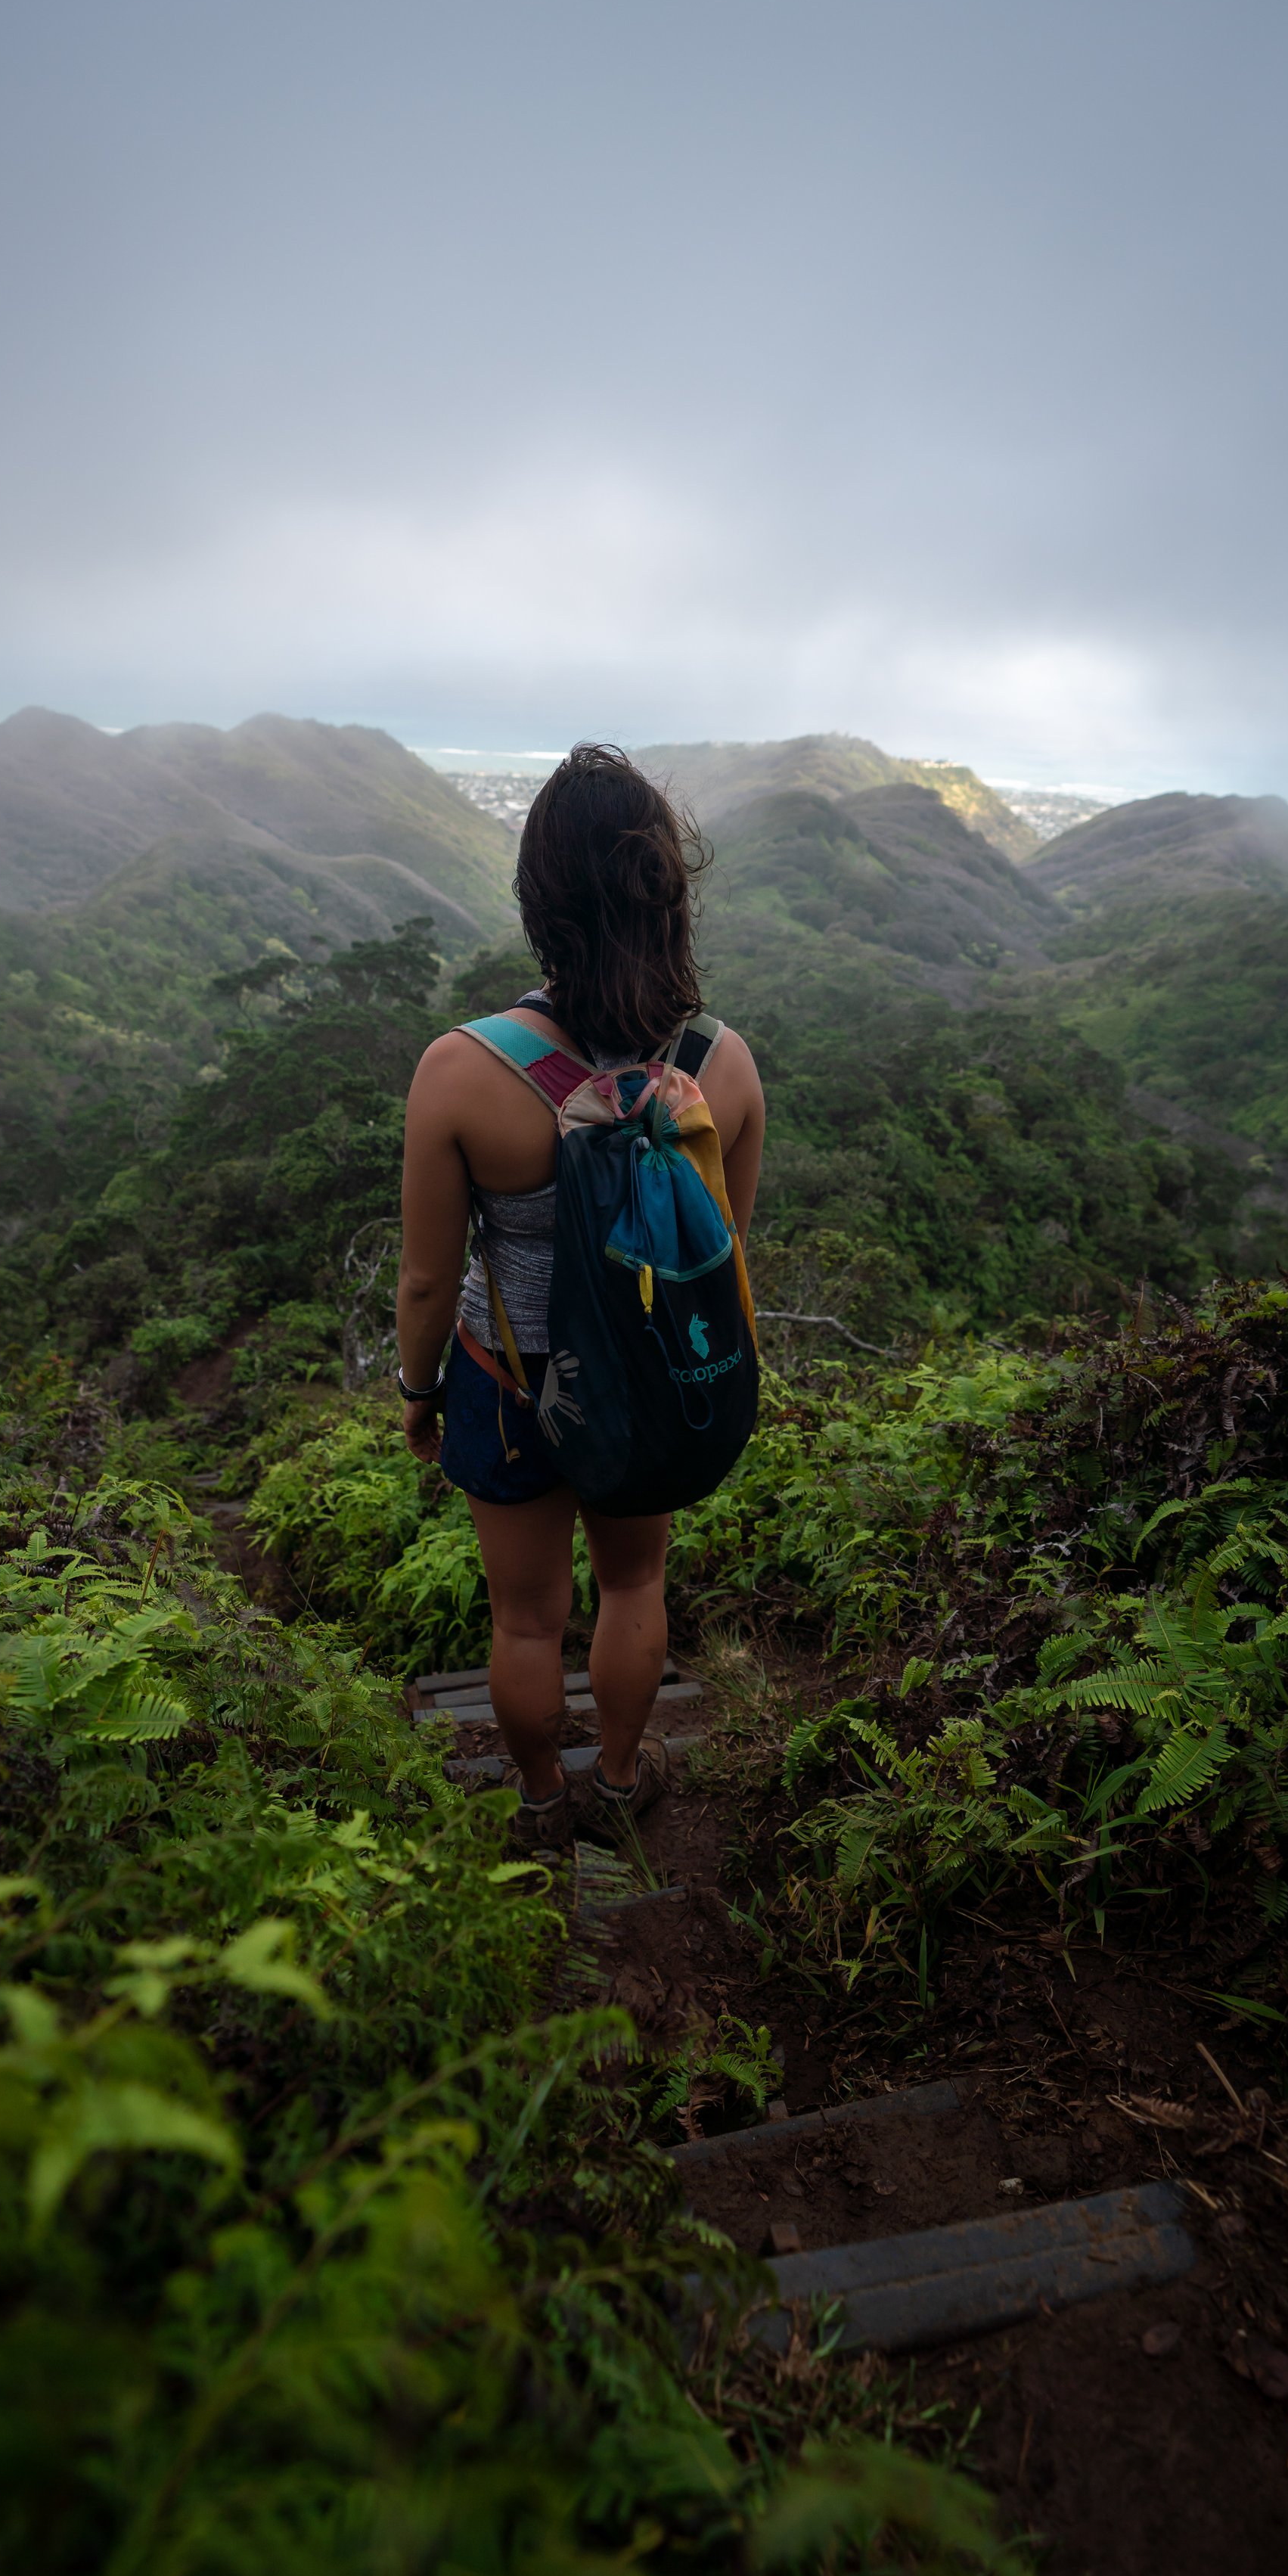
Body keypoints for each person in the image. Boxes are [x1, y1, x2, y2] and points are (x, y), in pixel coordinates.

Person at [396, 743, 765, 1849]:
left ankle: (541, 1803)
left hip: (505, 1383)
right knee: (633, 1587)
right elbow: (726, 1246)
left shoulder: (461, 1070)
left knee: (523, 1619)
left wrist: (421, 1391)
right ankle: (616, 1780)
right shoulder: (725, 1065)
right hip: (642, 1386)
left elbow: (424, 1275)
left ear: (538, 903)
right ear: (667, 896)